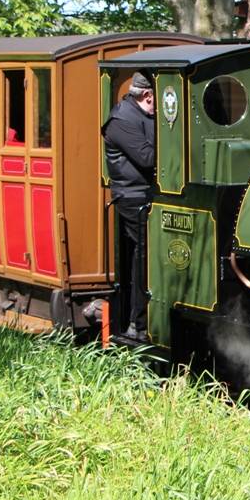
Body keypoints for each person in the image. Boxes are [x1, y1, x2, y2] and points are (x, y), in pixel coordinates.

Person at [101, 72, 155, 340]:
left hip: (149, 194)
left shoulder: (143, 116)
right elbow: (147, 158)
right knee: (144, 255)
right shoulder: (122, 120)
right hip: (133, 197)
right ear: (147, 96)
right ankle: (138, 321)